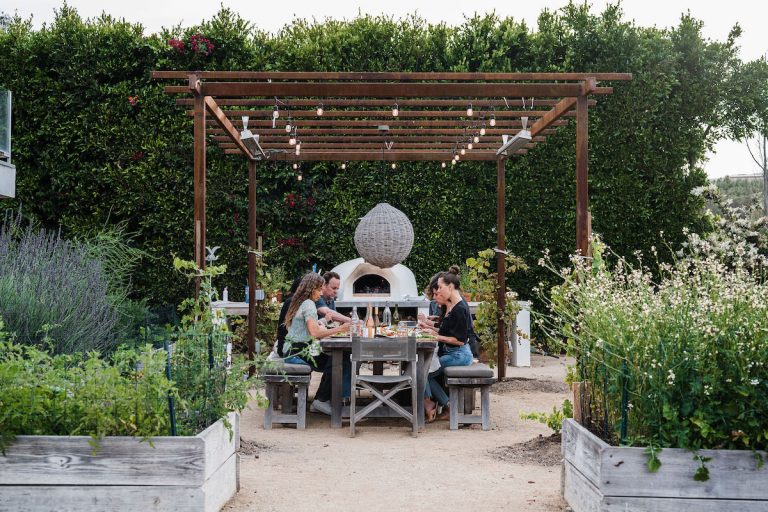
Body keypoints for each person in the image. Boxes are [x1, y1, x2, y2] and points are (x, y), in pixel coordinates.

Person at [281, 272, 350, 415]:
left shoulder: (300, 301)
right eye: (319, 289)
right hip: (297, 353)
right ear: (311, 289)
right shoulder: (309, 304)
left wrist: (322, 323)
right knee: (338, 360)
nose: (321, 292)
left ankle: (321, 399)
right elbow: (315, 333)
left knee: (337, 359)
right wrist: (341, 328)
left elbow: (308, 328)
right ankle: (322, 400)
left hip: (292, 349)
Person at [418, 266, 473, 421]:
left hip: (459, 355)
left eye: (440, 288)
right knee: (422, 369)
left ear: (450, 287)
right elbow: (445, 331)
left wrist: (436, 337)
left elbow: (460, 340)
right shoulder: (452, 306)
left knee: (423, 371)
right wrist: (431, 330)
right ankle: (438, 404)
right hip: (451, 353)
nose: (438, 292)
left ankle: (441, 405)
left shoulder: (460, 308)